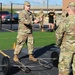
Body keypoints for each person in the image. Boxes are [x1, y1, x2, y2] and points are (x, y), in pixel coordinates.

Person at [56, 2, 75, 75]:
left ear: (69, 9)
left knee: (64, 69)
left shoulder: (65, 20)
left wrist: (58, 44)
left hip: (66, 48)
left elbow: (58, 34)